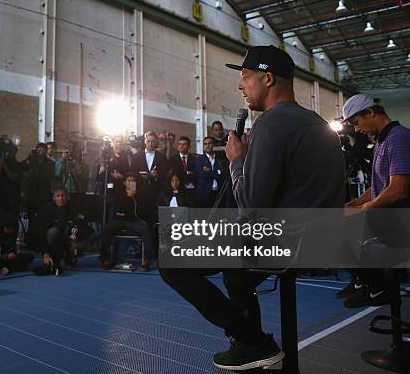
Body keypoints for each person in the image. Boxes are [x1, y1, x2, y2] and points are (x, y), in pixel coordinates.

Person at [161, 45, 345, 371]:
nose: (240, 85)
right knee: (236, 270)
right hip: (321, 241)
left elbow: (250, 205)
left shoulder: (271, 124)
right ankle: (250, 345)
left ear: (269, 79)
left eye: (246, 77)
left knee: (172, 258)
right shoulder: (316, 122)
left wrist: (237, 160)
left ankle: (250, 338)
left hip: (282, 242)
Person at [337, 94, 410, 307]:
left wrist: (363, 210)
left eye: (357, 123)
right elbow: (380, 185)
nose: (357, 130)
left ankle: (376, 286)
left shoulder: (399, 139)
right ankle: (366, 282)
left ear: (371, 112)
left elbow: (398, 190)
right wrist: (356, 202)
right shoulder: (382, 141)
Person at [101, 173, 153, 270]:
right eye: (129, 181)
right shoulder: (119, 194)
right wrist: (124, 212)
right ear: (125, 182)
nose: (131, 183)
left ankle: (146, 259)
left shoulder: (140, 195)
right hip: (121, 222)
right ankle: (105, 258)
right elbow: (117, 211)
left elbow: (142, 212)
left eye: (133, 181)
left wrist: (134, 197)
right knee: (108, 227)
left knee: (145, 229)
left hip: (134, 222)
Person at [37, 188, 87, 270]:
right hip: (55, 237)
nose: (61, 198)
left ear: (67, 197)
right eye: (58, 196)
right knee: (52, 232)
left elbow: (84, 223)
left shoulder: (74, 207)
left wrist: (76, 233)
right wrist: (45, 253)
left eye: (63, 196)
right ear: (53, 198)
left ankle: (70, 255)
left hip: (70, 236)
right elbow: (41, 232)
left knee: (83, 235)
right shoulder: (46, 209)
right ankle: (55, 256)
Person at [195, 136, 229, 208]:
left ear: (214, 145)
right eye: (205, 144)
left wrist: (210, 173)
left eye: (210, 143)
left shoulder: (221, 160)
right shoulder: (199, 159)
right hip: (205, 193)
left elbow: (226, 174)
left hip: (219, 192)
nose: (207, 146)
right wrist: (218, 172)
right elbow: (202, 174)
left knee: (219, 216)